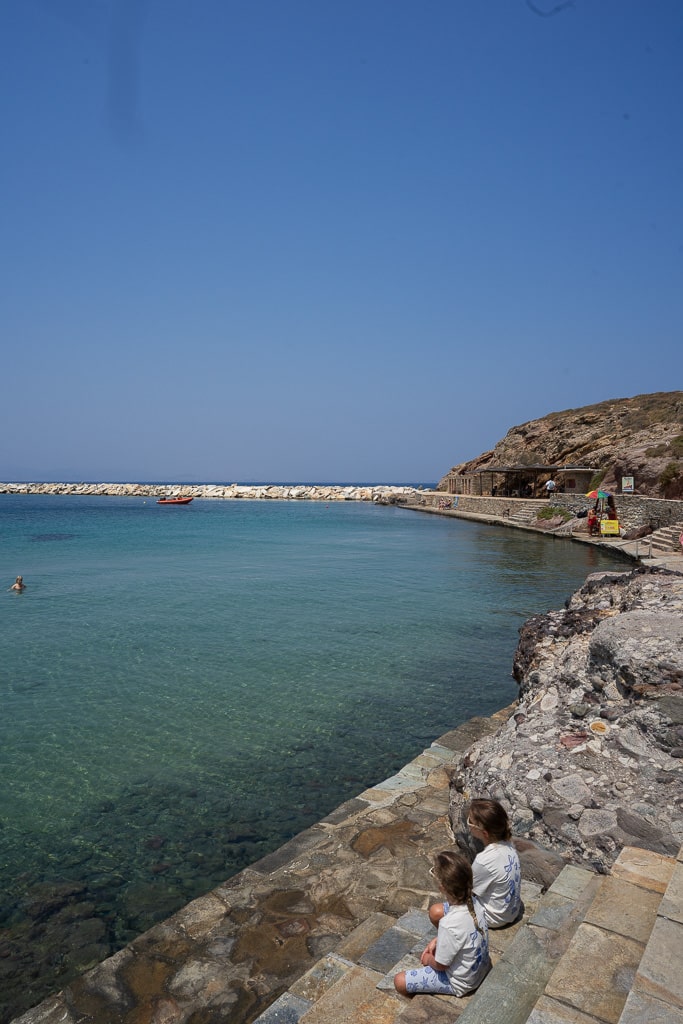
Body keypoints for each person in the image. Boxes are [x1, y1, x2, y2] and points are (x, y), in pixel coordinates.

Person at [394, 851, 490, 998]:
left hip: (461, 983)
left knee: (399, 981)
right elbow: (464, 933)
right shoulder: (477, 903)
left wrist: (427, 959)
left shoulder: (449, 924)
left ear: (443, 888)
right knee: (436, 911)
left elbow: (441, 965)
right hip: (480, 968)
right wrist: (439, 939)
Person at [466, 799, 522, 928]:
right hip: (511, 912)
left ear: (484, 833)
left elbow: (467, 892)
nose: (468, 823)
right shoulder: (509, 844)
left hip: (495, 918)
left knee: (437, 911)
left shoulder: (484, 860)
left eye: (470, 822)